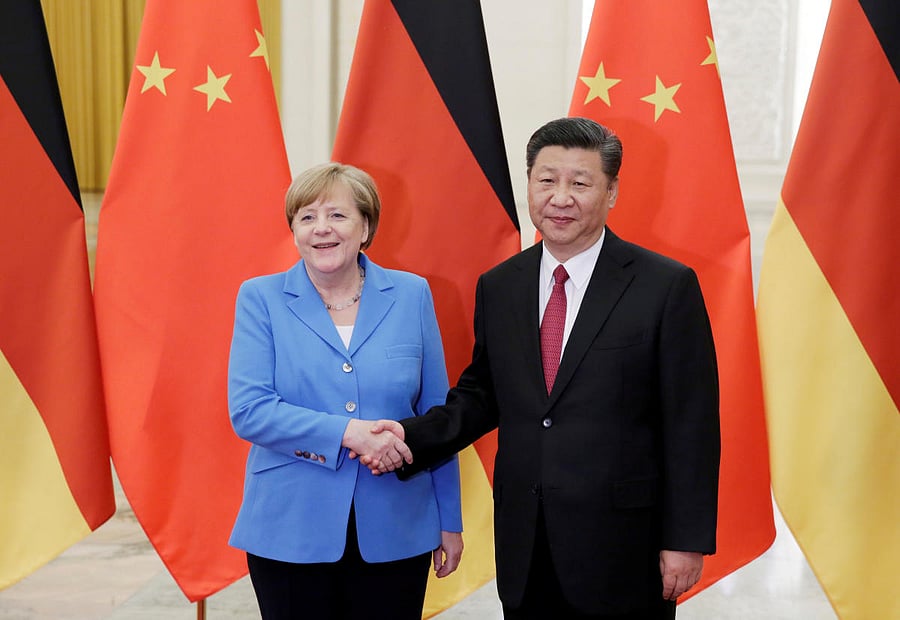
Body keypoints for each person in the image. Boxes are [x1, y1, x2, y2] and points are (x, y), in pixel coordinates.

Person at [363, 117, 720, 619]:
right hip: (527, 542)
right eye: (546, 180)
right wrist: (406, 438)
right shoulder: (501, 285)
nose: (560, 197)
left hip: (624, 546)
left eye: (580, 183)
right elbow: (483, 394)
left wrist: (685, 540)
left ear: (612, 192)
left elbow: (692, 424)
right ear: (529, 183)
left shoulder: (665, 286)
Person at [226, 162, 462, 619]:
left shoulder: (412, 294)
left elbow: (438, 416)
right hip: (289, 527)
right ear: (293, 229)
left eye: (337, 215)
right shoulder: (260, 298)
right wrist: (348, 433)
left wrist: (448, 520)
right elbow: (250, 410)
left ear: (366, 225)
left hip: (399, 526)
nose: (322, 230)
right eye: (307, 217)